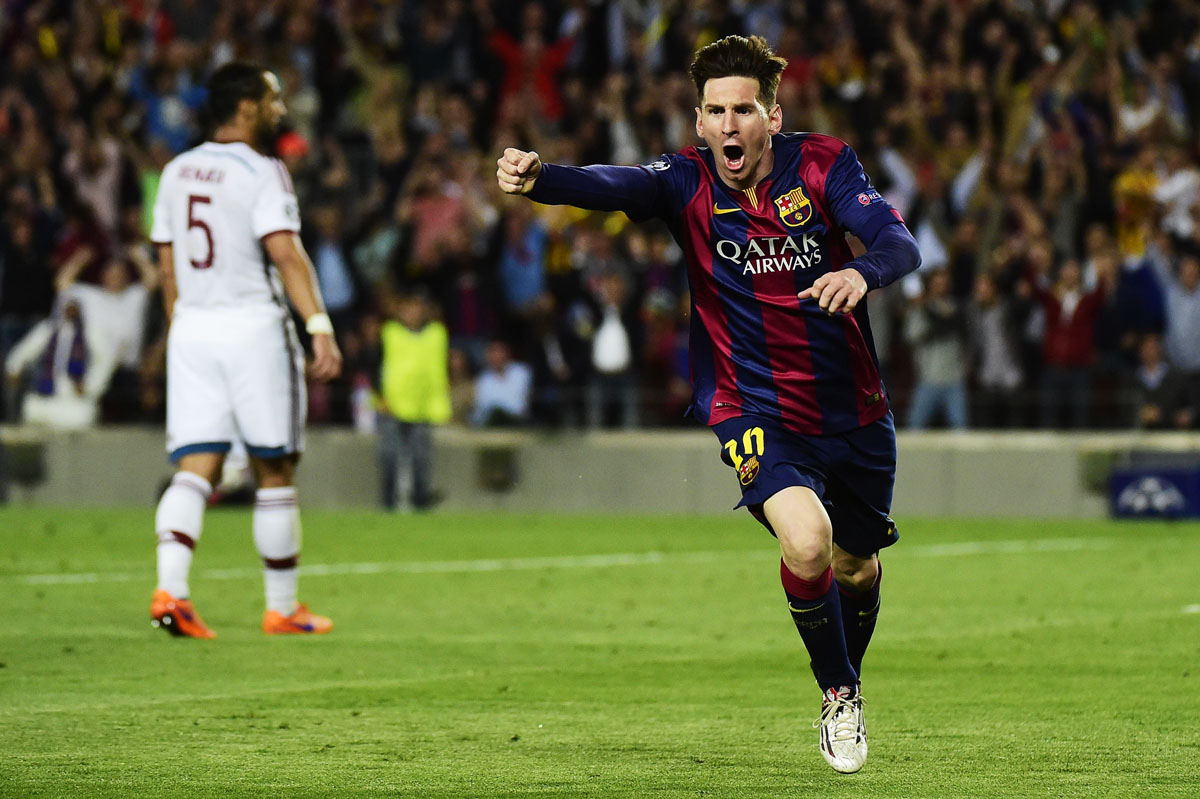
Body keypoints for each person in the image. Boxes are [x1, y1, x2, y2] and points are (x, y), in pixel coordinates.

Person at [497, 35, 921, 774]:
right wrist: (545, 178)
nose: (730, 125)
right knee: (808, 542)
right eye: (716, 111)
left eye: (745, 109)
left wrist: (863, 271)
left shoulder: (822, 163)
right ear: (698, 122)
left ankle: (848, 674)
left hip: (854, 409)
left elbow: (897, 238)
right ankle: (839, 690)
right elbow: (615, 184)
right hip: (751, 406)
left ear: (773, 115)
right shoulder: (685, 181)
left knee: (856, 567)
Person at [147, 62, 342, 639]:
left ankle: (172, 592)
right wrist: (319, 323)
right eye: (273, 98)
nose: (281, 108)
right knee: (275, 465)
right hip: (252, 326)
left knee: (195, 468)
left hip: (192, 328)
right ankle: (282, 607)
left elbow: (166, 265)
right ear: (248, 107)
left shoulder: (177, 170)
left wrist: (180, 328)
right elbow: (285, 253)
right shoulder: (262, 170)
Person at [378, 289, 451, 510]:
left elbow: (439, 369)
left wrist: (440, 401)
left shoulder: (437, 334)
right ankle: (388, 505)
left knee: (421, 460)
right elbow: (375, 365)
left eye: (417, 308)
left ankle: (420, 505)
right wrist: (378, 395)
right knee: (389, 457)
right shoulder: (389, 332)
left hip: (423, 406)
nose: (412, 313)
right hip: (393, 404)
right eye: (408, 308)